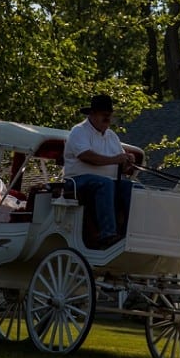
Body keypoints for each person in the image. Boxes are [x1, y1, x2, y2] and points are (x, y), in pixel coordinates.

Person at [63, 94, 136, 248]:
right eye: (104, 115)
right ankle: (107, 234)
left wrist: (127, 164)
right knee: (105, 184)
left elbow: (120, 164)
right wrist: (116, 159)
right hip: (77, 181)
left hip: (106, 183)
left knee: (134, 188)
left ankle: (131, 232)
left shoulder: (112, 137)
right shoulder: (79, 131)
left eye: (109, 115)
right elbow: (86, 156)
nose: (108, 119)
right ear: (92, 114)